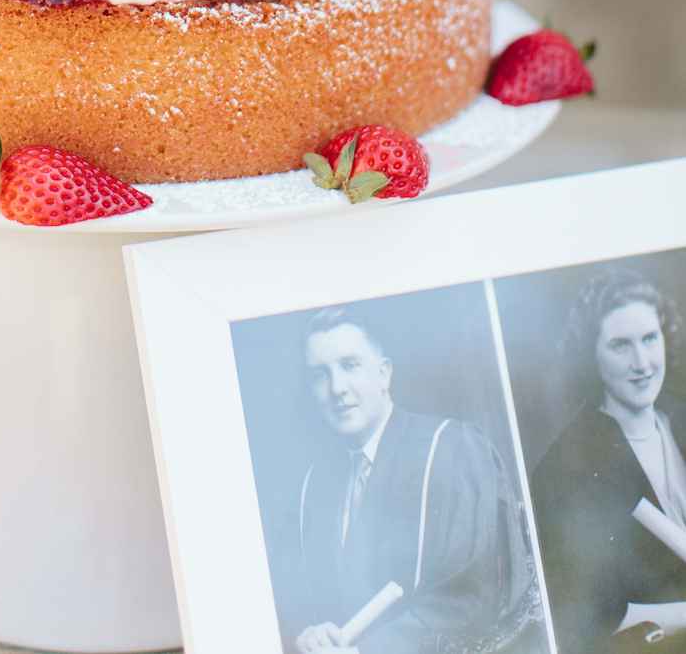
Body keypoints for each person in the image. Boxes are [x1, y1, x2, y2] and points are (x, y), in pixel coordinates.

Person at [284, 307, 536, 654]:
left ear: (384, 373)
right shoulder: (316, 486)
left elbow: (474, 595)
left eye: (349, 366)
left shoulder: (451, 449)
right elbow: (313, 602)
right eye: (319, 375)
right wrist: (313, 634)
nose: (337, 388)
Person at [531, 268, 686, 651]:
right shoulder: (566, 465)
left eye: (650, 339)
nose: (643, 363)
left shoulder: (680, 418)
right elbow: (595, 615)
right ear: (592, 355)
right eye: (620, 345)